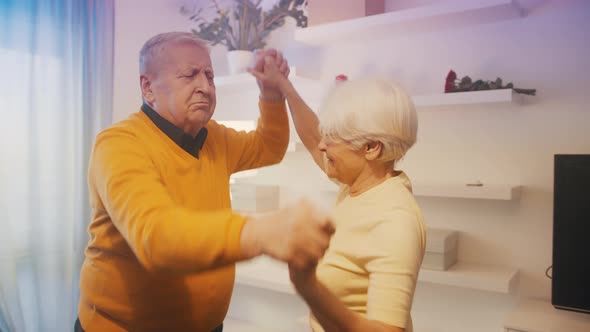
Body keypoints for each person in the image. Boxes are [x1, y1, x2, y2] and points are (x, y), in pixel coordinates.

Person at [76, 32, 334, 332]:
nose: (205, 86)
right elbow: (156, 237)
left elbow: (269, 146)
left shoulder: (213, 136)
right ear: (148, 88)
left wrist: (271, 95)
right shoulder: (119, 145)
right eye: (189, 75)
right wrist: (261, 232)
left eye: (209, 76)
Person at [249, 57, 426, 332]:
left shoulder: (395, 221)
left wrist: (307, 286)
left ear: (371, 148)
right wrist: (284, 86)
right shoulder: (359, 185)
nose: (321, 145)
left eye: (331, 138)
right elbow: (311, 135)